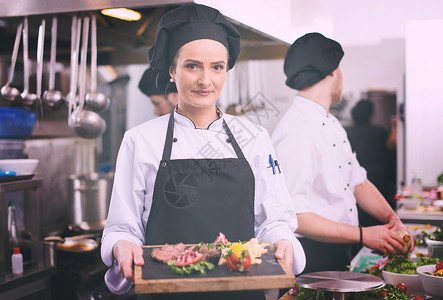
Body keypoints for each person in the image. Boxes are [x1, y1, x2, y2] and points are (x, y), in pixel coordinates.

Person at [101, 4, 305, 299]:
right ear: (172, 70)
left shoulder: (254, 137)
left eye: (217, 67)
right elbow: (122, 227)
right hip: (163, 293)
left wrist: (282, 240)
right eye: (192, 65)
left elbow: (273, 220)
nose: (205, 80)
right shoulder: (139, 140)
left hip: (241, 293)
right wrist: (122, 245)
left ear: (225, 71)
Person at [271, 32, 412, 274]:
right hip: (312, 255)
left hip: (340, 248)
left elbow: (357, 181)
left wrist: (392, 218)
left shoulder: (331, 123)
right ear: (332, 71)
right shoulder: (296, 131)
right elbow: (294, 216)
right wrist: (363, 234)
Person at [346, 99, 397, 227]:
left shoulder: (347, 133)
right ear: (371, 114)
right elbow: (392, 145)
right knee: (377, 222)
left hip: (356, 184)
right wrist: (395, 129)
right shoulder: (379, 131)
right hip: (379, 182)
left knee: (361, 220)